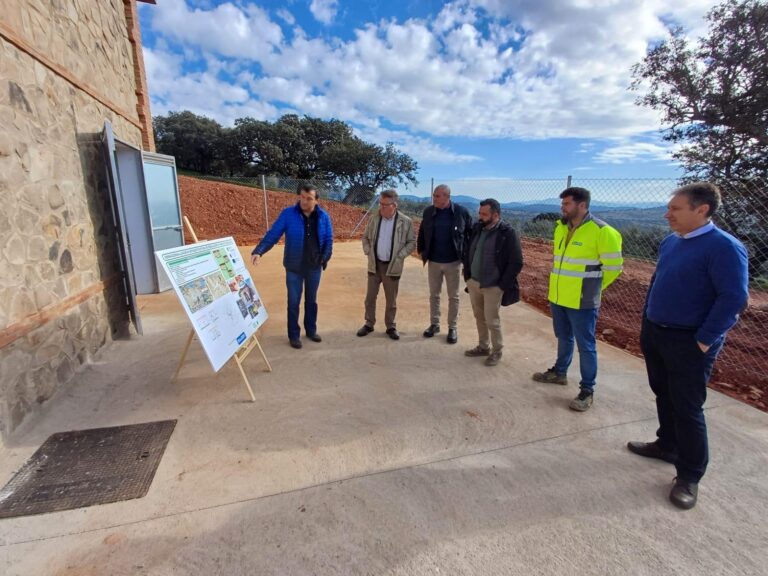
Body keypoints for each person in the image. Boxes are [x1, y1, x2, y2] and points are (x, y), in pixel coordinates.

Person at [628, 182, 748, 510]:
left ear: (702, 210)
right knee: (663, 392)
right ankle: (667, 445)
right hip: (656, 333)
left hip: (689, 342)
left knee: (687, 407)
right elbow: (656, 283)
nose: (667, 215)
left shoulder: (724, 247)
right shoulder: (672, 242)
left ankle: (690, 474)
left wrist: (704, 340)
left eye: (675, 209)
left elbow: (734, 298)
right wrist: (647, 323)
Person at [532, 187, 623, 411]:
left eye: (567, 204)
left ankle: (587, 390)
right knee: (563, 337)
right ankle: (560, 373)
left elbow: (614, 268)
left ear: (582, 205)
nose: (562, 208)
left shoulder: (603, 231)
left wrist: (591, 289)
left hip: (582, 301)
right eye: (562, 204)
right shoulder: (561, 228)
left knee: (586, 346)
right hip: (559, 296)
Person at [251, 184, 333, 349]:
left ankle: (311, 330)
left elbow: (329, 239)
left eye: (309, 198)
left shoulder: (323, 216)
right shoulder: (288, 214)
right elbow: (273, 234)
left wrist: (324, 258)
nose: (304, 201)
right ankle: (294, 335)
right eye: (302, 197)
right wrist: (259, 250)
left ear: (316, 200)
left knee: (311, 301)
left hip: (314, 267)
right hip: (294, 268)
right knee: (293, 302)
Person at [462, 199, 523, 366]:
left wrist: (502, 285)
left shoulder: (507, 233)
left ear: (496, 215)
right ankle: (483, 346)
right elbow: (468, 250)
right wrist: (467, 275)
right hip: (473, 282)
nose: (480, 217)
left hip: (493, 286)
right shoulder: (477, 229)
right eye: (479, 213)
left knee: (492, 320)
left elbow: (516, 262)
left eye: (484, 214)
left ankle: (497, 351)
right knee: (479, 316)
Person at [417, 184, 473, 344]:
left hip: (453, 262)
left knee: (453, 296)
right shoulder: (429, 212)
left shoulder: (461, 212)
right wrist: (421, 250)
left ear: (447, 197)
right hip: (434, 261)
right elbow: (422, 231)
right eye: (434, 195)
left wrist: (466, 257)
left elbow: (470, 235)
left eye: (437, 196)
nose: (433, 198)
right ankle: (434, 324)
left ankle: (452, 328)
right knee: (434, 295)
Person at [357, 190, 416, 340]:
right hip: (374, 265)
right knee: (370, 298)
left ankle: (391, 326)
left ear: (394, 205)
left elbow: (411, 242)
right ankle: (369, 323)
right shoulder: (374, 219)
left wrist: (400, 256)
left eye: (385, 205)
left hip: (392, 267)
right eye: (380, 204)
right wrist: (368, 251)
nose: (381, 207)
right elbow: (365, 238)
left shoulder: (405, 221)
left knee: (391, 300)